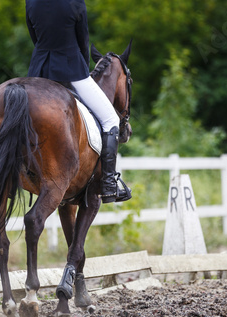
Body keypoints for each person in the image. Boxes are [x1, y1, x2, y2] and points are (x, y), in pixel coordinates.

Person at [25, 0, 131, 203]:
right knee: (110, 119)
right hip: (71, 70)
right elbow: (83, 41)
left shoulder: (31, 1)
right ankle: (108, 184)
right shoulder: (75, 2)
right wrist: (81, 68)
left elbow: (35, 37)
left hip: (39, 71)